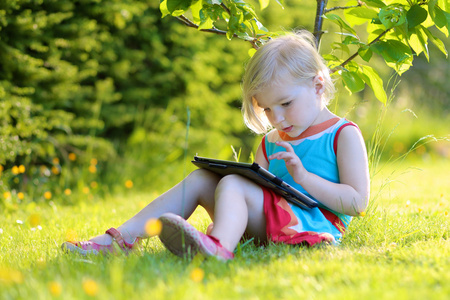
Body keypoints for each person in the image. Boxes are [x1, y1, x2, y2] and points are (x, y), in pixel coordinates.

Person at [61, 30, 370, 261]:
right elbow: (256, 193)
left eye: (286, 104)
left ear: (317, 85)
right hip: (267, 224)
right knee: (202, 179)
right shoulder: (271, 141)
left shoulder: (343, 134)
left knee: (234, 183)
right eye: (267, 110)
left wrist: (303, 178)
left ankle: (218, 248)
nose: (276, 118)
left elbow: (357, 204)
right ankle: (120, 239)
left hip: (313, 227)